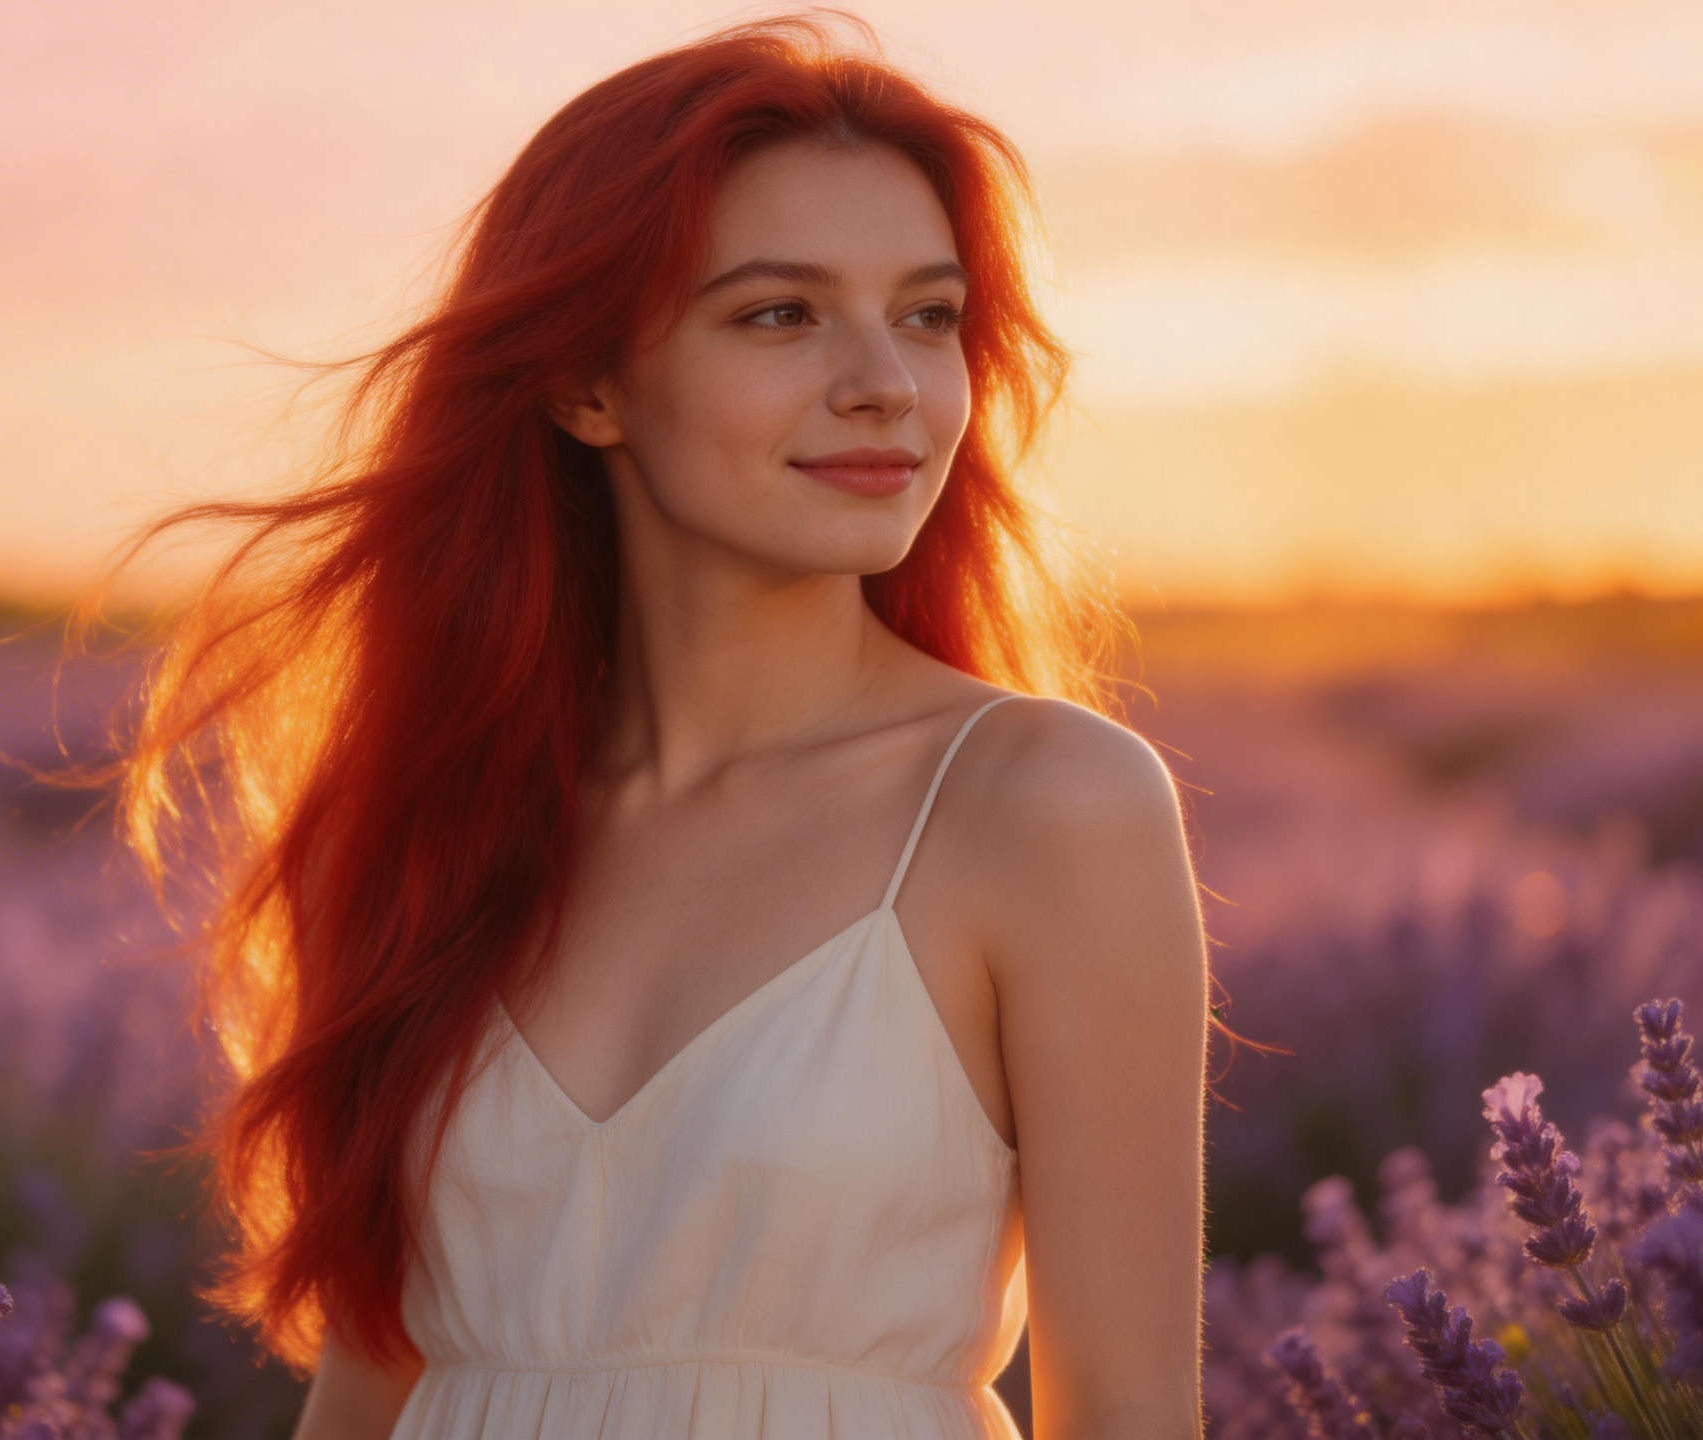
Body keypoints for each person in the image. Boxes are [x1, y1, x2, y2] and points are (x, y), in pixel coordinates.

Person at [96, 13, 1210, 1438]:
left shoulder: (1046, 807)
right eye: (780, 313)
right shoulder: (422, 827)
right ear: (584, 383)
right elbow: (372, 1382)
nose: (886, 381)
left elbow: (1125, 1417)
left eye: (929, 315)